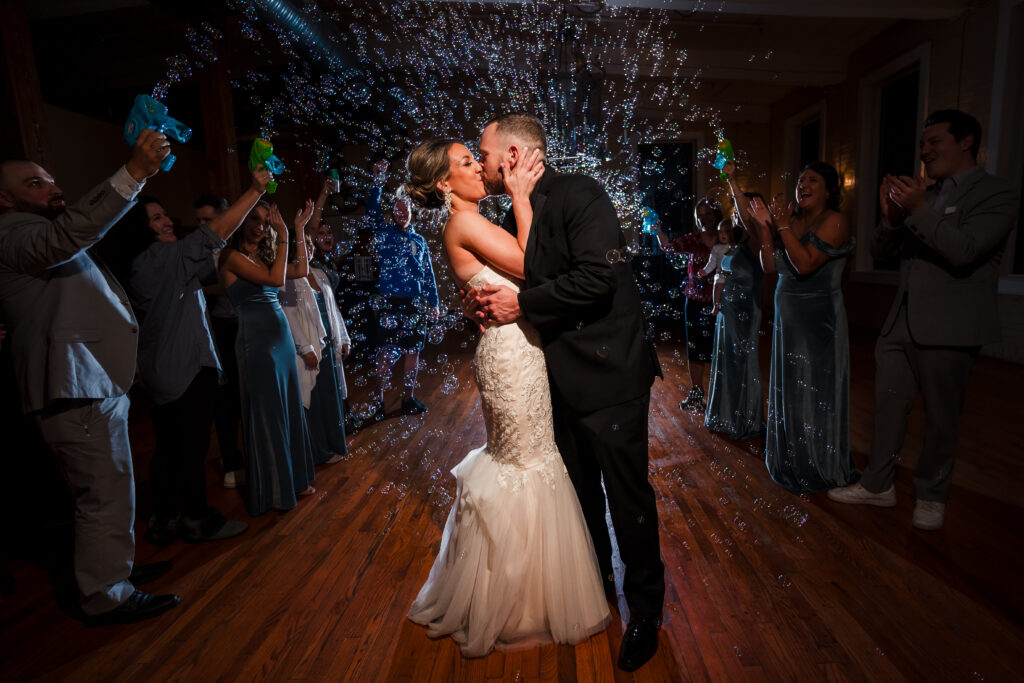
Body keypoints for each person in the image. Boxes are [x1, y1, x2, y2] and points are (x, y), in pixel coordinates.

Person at [469, 114, 665, 672]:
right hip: (554, 379)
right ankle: (597, 586)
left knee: (627, 499)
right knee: (579, 495)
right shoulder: (515, 210)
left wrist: (521, 305)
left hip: (610, 375)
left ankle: (646, 611)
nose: (481, 164)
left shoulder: (581, 192)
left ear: (510, 155)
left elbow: (598, 279)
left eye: (484, 153)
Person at [405, 137, 612, 657]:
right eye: (465, 163)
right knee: (525, 462)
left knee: (529, 458)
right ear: (442, 184)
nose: (479, 167)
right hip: (511, 355)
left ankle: (530, 589)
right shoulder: (466, 221)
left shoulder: (469, 222)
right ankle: (518, 599)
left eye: (475, 158)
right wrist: (520, 197)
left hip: (520, 347)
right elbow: (529, 265)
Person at [0, 130, 180, 624]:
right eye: (36, 183)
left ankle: (113, 571)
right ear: (5, 198)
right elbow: (68, 235)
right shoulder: (12, 233)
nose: (52, 190)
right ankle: (104, 595)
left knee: (114, 485)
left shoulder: (36, 230)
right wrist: (135, 173)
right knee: (101, 492)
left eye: (52, 181)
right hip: (70, 385)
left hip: (91, 380)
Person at [828, 110, 1019, 530]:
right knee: (888, 408)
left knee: (941, 417)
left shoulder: (996, 193)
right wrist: (891, 220)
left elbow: (965, 249)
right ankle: (878, 485)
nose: (925, 151)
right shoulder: (926, 196)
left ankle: (932, 494)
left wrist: (917, 208)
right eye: (922, 144)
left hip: (951, 326)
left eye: (935, 142)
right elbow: (881, 249)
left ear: (966, 141)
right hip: (901, 322)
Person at [103, 174, 269, 545]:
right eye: (157, 218)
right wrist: (255, 189)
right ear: (140, 230)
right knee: (191, 448)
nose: (168, 221)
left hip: (161, 368)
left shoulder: (147, 263)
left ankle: (166, 516)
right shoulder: (159, 257)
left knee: (170, 447)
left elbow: (205, 276)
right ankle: (197, 518)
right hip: (184, 368)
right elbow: (214, 234)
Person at [747, 161, 857, 493]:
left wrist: (780, 225)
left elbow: (806, 263)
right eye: (799, 180)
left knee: (816, 390)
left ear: (829, 188)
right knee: (792, 389)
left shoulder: (834, 221)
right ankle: (791, 455)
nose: (803, 184)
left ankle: (819, 461)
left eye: (812, 179)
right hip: (787, 321)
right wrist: (767, 228)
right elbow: (769, 265)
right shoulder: (791, 221)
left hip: (818, 323)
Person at [218, 200, 317, 516]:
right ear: (240, 223)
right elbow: (276, 281)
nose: (261, 226)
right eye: (254, 219)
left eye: (265, 221)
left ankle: (297, 479)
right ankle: (276, 490)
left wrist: (298, 229)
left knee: (288, 408)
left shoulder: (259, 257)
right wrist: (283, 232)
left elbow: (300, 270)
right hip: (257, 343)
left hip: (282, 341)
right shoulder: (230, 257)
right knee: (268, 414)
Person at [366, 160, 440, 419]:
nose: (401, 212)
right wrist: (378, 181)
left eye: (404, 209)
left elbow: (428, 273)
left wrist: (434, 302)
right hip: (390, 301)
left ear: (411, 212)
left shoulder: (420, 241)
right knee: (385, 353)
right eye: (396, 209)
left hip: (415, 303)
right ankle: (380, 402)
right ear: (392, 214)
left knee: (412, 351)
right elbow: (372, 211)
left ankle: (408, 399)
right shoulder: (384, 234)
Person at [705, 166, 765, 441]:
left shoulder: (758, 243)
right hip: (726, 311)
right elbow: (719, 275)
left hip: (745, 312)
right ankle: (724, 414)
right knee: (725, 361)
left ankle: (744, 418)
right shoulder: (735, 246)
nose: (735, 217)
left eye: (741, 212)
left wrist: (732, 179)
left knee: (742, 361)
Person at [281, 231, 351, 465]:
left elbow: (334, 309)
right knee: (315, 399)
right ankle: (320, 451)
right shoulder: (288, 277)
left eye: (310, 244)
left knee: (332, 397)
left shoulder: (320, 273)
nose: (309, 248)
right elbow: (290, 315)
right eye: (304, 244)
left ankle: (336, 443)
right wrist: (306, 347)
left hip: (328, 346)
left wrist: (343, 338)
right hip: (309, 350)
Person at [657, 198, 719, 411]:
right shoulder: (694, 239)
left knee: (719, 350)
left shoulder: (727, 237)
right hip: (694, 302)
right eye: (699, 214)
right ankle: (696, 393)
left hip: (720, 304)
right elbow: (668, 247)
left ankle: (721, 397)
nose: (703, 218)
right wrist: (658, 230)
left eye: (708, 213)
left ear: (716, 215)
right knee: (696, 350)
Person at [701, 218, 737, 317]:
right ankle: (716, 305)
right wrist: (705, 271)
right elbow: (711, 263)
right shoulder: (716, 248)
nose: (723, 234)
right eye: (720, 232)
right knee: (717, 284)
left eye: (726, 232)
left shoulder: (736, 247)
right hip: (721, 274)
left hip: (733, 276)